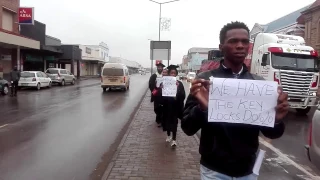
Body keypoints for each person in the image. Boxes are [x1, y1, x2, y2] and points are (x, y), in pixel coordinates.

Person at [181, 21, 289, 180]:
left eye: (245, 42)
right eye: (233, 41)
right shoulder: (204, 82)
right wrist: (202, 109)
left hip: (247, 171)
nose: (240, 46)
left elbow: (271, 133)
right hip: (214, 170)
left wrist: (277, 120)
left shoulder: (259, 85)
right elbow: (187, 128)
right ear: (221, 46)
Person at [162, 65, 186, 147]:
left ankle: (174, 139)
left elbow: (183, 96)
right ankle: (168, 135)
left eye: (174, 73)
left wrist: (177, 92)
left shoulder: (179, 84)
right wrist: (162, 88)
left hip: (175, 107)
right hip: (167, 106)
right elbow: (161, 97)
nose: (172, 74)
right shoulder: (164, 83)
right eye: (171, 72)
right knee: (167, 122)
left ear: (176, 74)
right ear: (169, 74)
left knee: (174, 123)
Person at [149, 62, 166, 127]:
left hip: (163, 95)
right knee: (157, 108)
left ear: (162, 68)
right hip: (156, 95)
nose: (160, 68)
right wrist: (155, 88)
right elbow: (150, 84)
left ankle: (161, 121)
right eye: (158, 67)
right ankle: (158, 119)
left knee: (163, 108)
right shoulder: (154, 76)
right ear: (157, 68)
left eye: (161, 67)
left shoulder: (165, 76)